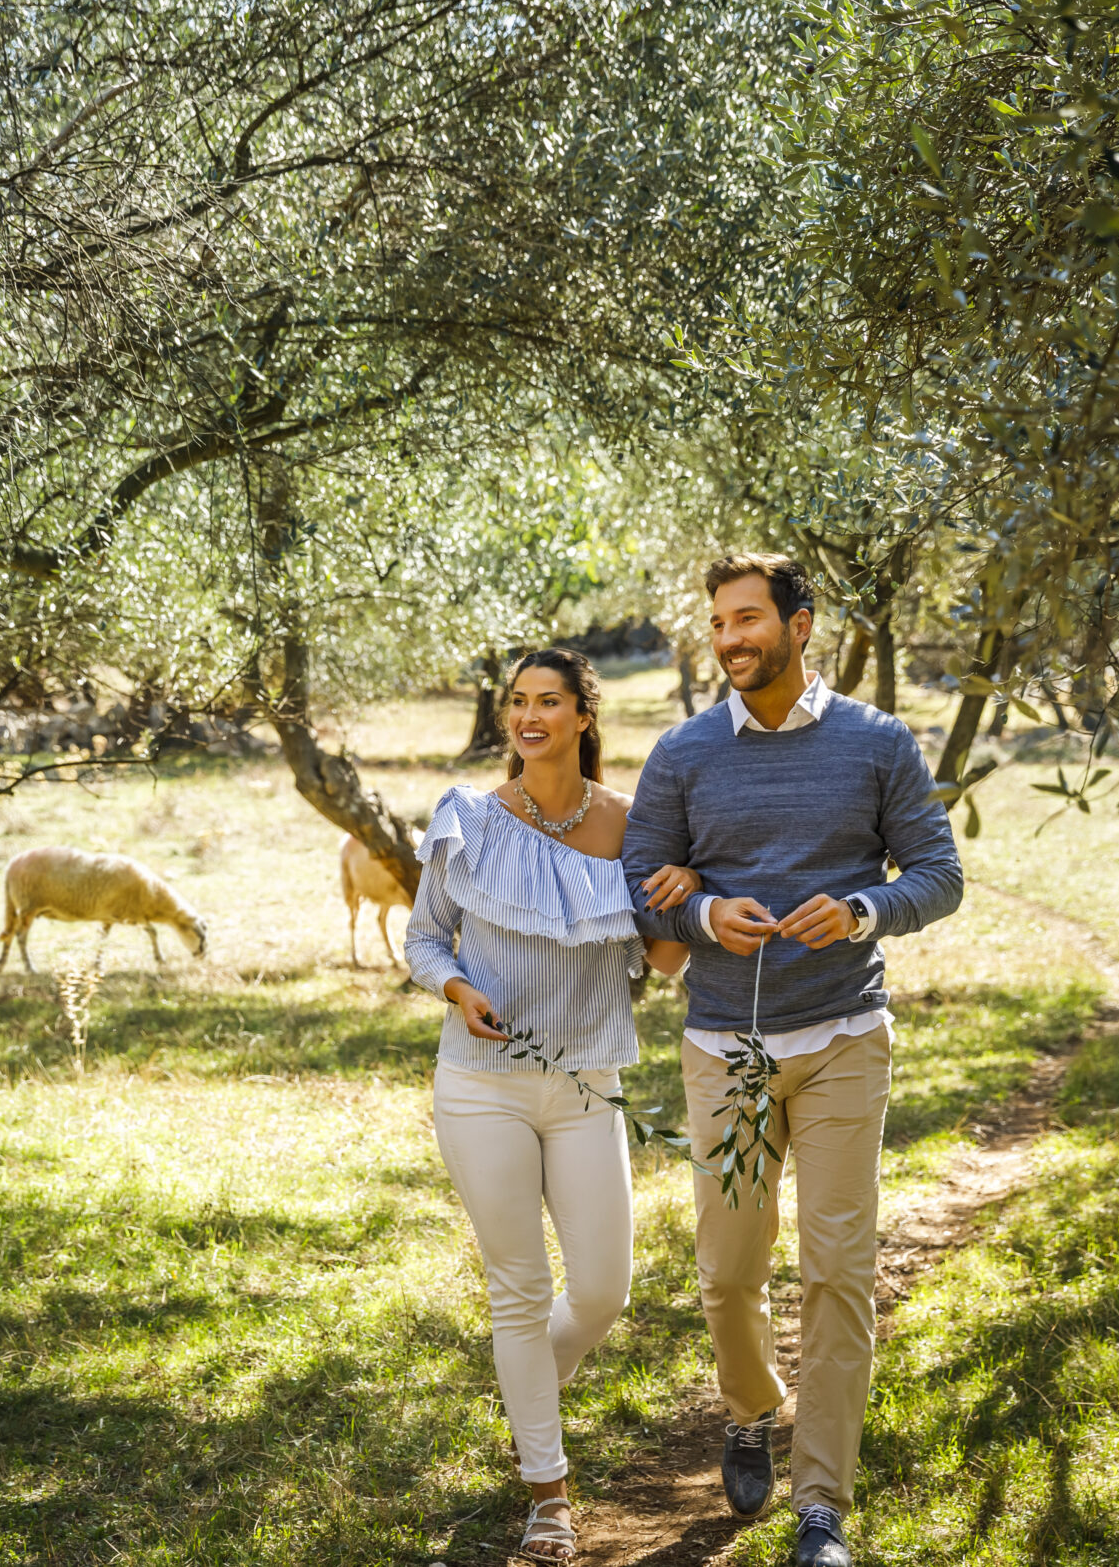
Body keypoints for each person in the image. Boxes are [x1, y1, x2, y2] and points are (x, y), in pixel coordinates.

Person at [624, 553, 964, 1567]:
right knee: (728, 1271)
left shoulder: (874, 743)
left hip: (844, 1039)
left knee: (837, 1271)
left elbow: (939, 874)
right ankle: (746, 1408)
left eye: (747, 621)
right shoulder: (683, 753)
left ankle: (822, 1505)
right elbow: (642, 874)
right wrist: (699, 910)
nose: (730, 640)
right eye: (718, 624)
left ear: (800, 625)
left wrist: (864, 909)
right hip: (727, 1049)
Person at [403, 647, 691, 1563]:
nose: (529, 716)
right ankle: (549, 1497)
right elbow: (422, 938)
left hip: (585, 1087)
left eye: (549, 702)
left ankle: (526, 1384)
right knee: (520, 1290)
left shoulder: (632, 825)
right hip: (479, 1087)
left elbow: (668, 964)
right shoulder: (471, 822)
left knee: (603, 1288)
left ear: (582, 715)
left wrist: (677, 901)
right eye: (517, 702)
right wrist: (455, 987)